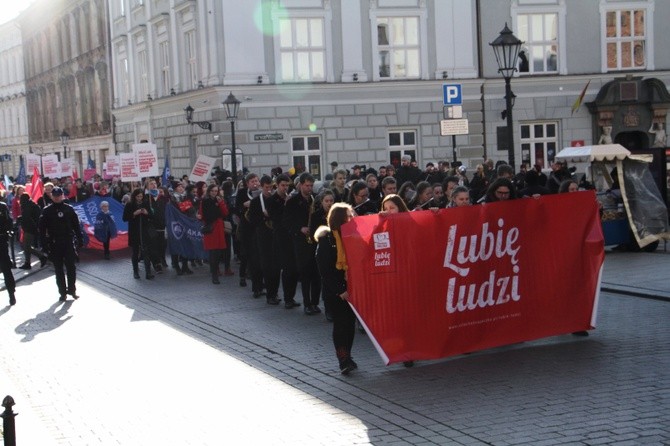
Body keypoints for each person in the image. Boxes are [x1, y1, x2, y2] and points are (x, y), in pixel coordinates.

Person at [314, 203, 358, 375]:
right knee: (340, 324)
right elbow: (325, 270)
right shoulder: (327, 241)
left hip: (351, 288)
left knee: (350, 324)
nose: (352, 218)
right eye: (349, 216)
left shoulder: (352, 237)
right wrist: (340, 290)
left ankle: (348, 355)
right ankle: (343, 359)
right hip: (336, 292)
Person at [284, 173, 321, 315]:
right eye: (307, 186)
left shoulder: (315, 199)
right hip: (301, 242)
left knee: (316, 274)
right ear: (300, 185)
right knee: (305, 274)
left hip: (314, 240)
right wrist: (300, 228)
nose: (310, 188)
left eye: (311, 186)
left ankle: (315, 303)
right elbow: (286, 221)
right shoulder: (293, 201)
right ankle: (307, 303)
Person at [38, 187, 84, 302]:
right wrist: (44, 245)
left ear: (62, 195)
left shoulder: (69, 209)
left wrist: (80, 239)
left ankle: (72, 290)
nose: (57, 197)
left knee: (71, 267)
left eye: (59, 195)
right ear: (52, 196)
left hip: (68, 241)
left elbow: (76, 226)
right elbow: (42, 230)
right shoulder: (47, 211)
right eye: (55, 195)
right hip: (54, 242)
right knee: (58, 269)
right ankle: (62, 292)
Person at [122, 188, 155, 280]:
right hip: (134, 231)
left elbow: (152, 216)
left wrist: (147, 213)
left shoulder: (145, 203)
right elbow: (124, 218)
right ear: (134, 196)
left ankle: (148, 273)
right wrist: (134, 214)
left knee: (146, 252)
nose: (139, 198)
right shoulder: (129, 205)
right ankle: (135, 271)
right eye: (138, 196)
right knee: (135, 252)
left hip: (144, 231)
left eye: (141, 196)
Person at [200, 184, 229, 285]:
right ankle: (214, 274)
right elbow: (202, 214)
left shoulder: (219, 200)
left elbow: (225, 213)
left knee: (218, 253)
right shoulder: (204, 201)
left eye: (216, 191)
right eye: (212, 190)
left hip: (218, 228)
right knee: (213, 253)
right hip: (211, 229)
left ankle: (216, 272)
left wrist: (220, 203)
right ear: (209, 191)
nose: (214, 192)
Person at [18, 193, 49, 269]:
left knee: (26, 246)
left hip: (29, 228)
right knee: (26, 246)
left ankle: (40, 257)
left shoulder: (27, 206)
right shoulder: (32, 205)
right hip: (32, 228)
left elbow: (27, 217)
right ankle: (28, 262)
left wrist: (20, 219)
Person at [0, 199, 16, 305]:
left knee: (6, 268)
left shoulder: (2, 206)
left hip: (1, 242)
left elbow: (9, 222)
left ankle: (11, 293)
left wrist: (7, 231)